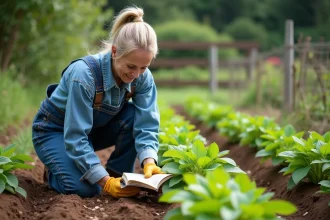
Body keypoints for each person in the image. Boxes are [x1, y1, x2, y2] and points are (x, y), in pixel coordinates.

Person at [32, 6, 163, 198]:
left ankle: (117, 176)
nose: (136, 74)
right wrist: (104, 183)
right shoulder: (84, 75)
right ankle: (56, 168)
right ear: (115, 51)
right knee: (85, 189)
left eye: (144, 67)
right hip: (55, 130)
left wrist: (149, 161)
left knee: (134, 115)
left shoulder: (143, 78)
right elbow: (76, 136)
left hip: (92, 129)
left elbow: (147, 123)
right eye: (131, 66)